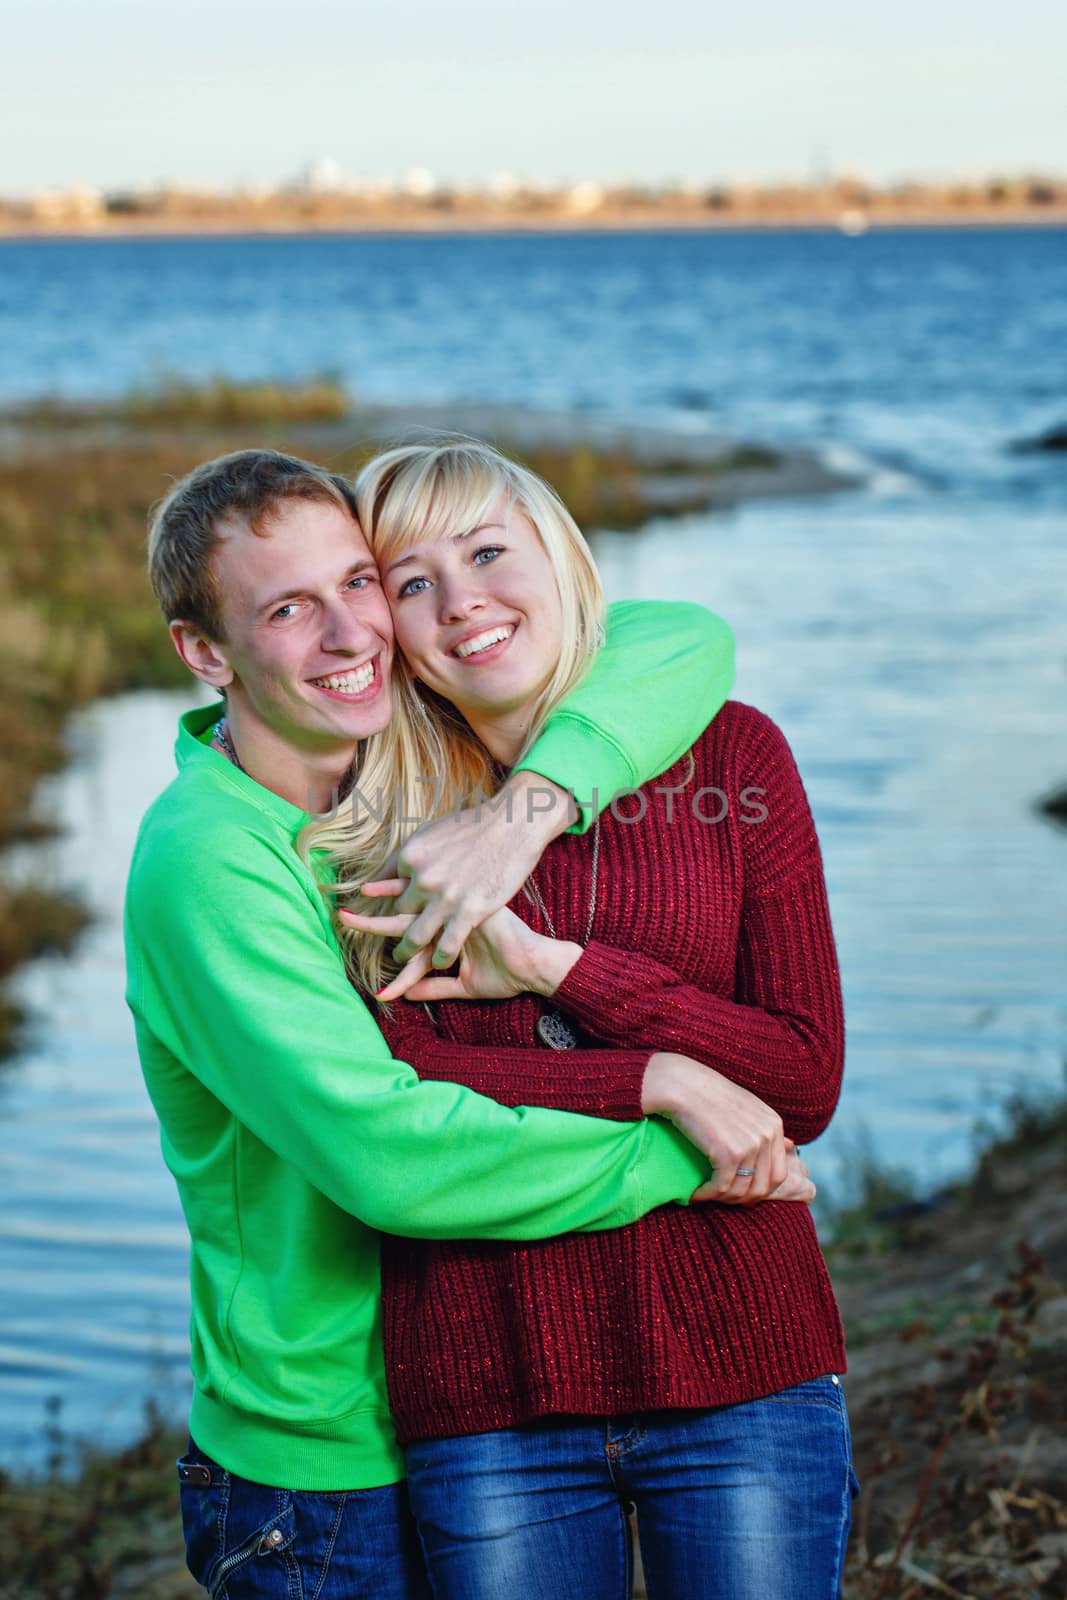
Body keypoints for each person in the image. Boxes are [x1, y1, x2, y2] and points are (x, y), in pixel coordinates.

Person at [126, 446, 796, 1600]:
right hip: (323, 1459)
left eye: (358, 583)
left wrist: (526, 813)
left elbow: (678, 637)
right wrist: (680, 1118)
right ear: (202, 652)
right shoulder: (209, 862)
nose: (352, 633)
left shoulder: (381, 780)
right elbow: (394, 1155)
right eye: (289, 608)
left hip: (441, 1407)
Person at [331, 438, 854, 1600]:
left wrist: (558, 969)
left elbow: (802, 1079)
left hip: (743, 1372)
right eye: (412, 581)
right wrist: (664, 1075)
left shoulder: (733, 753)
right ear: (390, 631)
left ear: (559, 556)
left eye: (485, 551)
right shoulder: (371, 821)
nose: (462, 602)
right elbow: (408, 1095)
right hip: (486, 1395)